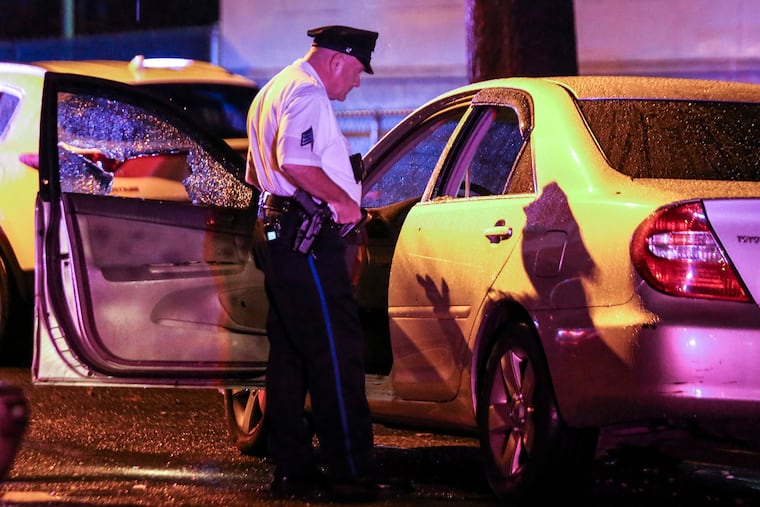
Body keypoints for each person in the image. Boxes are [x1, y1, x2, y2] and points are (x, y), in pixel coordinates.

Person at [246, 25, 405, 501]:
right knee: (338, 351)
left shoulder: (272, 89)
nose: (356, 83)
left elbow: (259, 169)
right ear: (336, 60)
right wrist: (343, 202)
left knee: (291, 353)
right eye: (357, 71)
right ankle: (351, 472)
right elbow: (295, 160)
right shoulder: (307, 93)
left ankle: (293, 469)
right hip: (307, 236)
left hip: (277, 230)